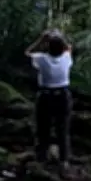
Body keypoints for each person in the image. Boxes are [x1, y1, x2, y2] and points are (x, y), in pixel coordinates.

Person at [25, 29, 74, 171]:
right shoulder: (66, 58)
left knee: (43, 129)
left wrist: (41, 39)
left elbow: (27, 53)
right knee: (62, 129)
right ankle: (64, 161)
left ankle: (41, 158)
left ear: (47, 47)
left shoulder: (41, 59)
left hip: (45, 96)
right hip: (63, 96)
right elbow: (69, 47)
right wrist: (60, 37)